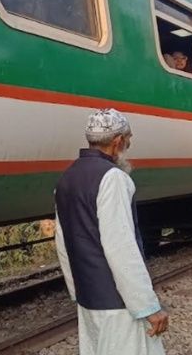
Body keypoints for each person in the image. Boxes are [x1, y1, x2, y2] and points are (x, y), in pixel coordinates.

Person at [54, 109, 168, 355]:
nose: (129, 145)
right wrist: (147, 306)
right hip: (117, 305)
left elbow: (63, 242)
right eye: (128, 140)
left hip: (89, 300)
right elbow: (121, 246)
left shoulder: (67, 178)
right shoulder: (113, 178)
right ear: (117, 142)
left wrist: (77, 291)